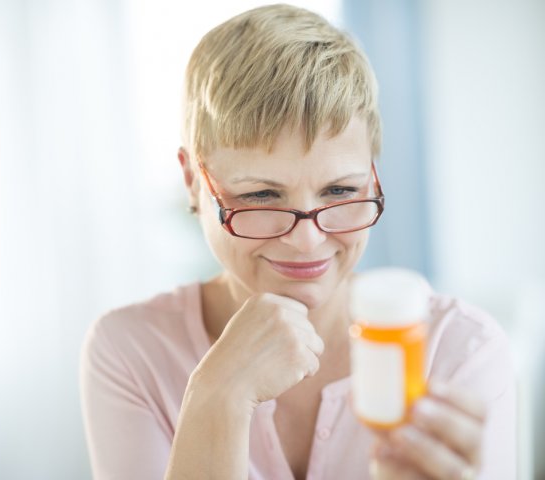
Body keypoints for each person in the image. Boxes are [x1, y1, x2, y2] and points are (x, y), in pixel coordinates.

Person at [79, 4, 515, 479]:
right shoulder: (130, 351)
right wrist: (217, 395)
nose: (308, 241)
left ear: (373, 174)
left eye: (341, 191)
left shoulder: (460, 351)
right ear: (191, 181)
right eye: (261, 196)